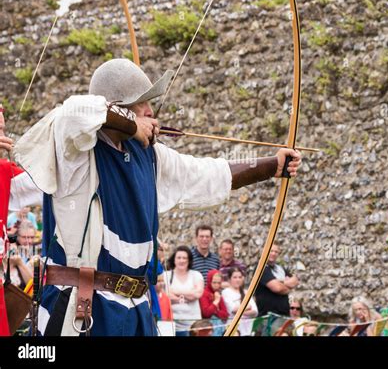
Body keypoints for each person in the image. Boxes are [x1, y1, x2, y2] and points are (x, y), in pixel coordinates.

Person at [12, 59, 302, 336]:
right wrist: (132, 124)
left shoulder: (148, 155)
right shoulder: (75, 151)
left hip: (137, 310)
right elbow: (73, 111)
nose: (150, 111)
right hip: (81, 307)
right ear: (119, 107)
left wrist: (271, 166)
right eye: (142, 103)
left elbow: (206, 173)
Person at [163, 246, 203, 336]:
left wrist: (175, 292)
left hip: (193, 325)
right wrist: (189, 293)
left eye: (185, 258)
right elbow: (165, 295)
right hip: (172, 324)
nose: (182, 260)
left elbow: (198, 294)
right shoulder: (166, 275)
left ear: (189, 260)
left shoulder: (196, 275)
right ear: (174, 259)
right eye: (179, 257)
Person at [255, 244, 299, 316]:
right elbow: (277, 288)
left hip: (284, 314)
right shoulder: (261, 268)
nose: (273, 253)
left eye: (276, 252)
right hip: (267, 315)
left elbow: (295, 281)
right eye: (271, 251)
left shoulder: (280, 268)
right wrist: (288, 287)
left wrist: (280, 282)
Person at [222, 267, 258, 336]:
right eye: (235, 277)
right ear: (229, 279)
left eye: (240, 277)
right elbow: (233, 309)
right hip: (233, 330)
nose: (237, 280)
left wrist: (241, 310)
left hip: (247, 331)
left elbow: (255, 311)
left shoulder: (247, 292)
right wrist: (248, 307)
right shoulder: (226, 292)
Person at [199, 269, 228, 336]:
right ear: (209, 281)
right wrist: (216, 302)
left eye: (219, 283)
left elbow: (225, 315)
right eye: (214, 282)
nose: (216, 285)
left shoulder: (217, 293)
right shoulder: (204, 294)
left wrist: (215, 312)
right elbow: (206, 313)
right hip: (208, 328)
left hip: (219, 327)